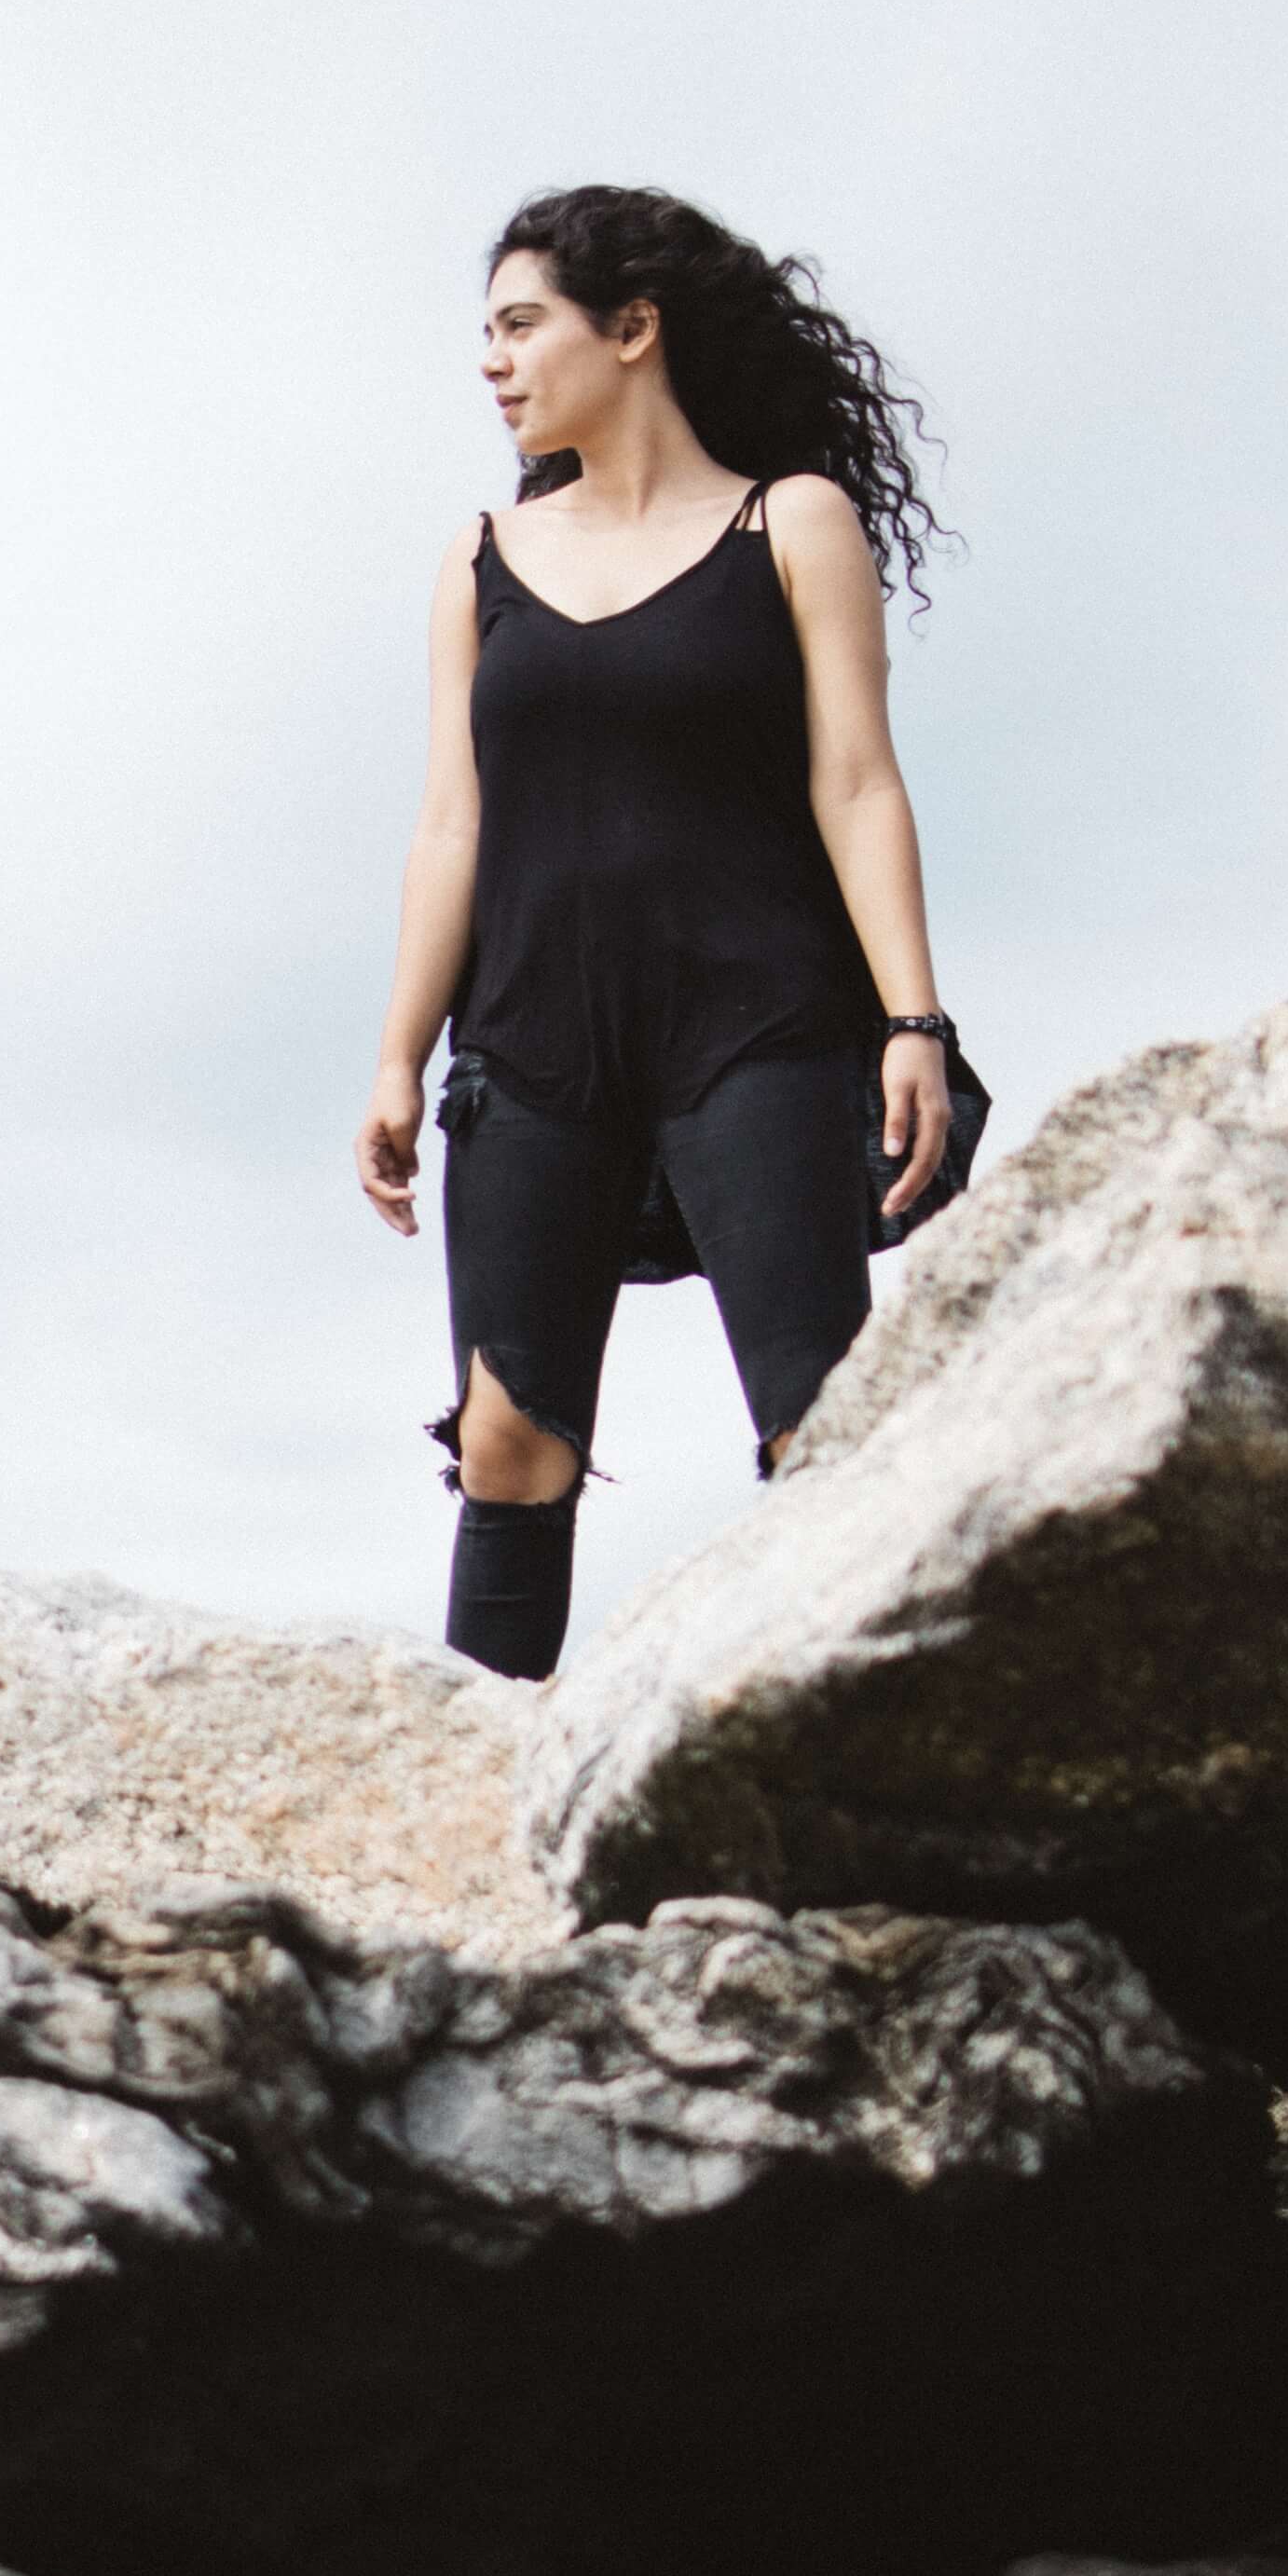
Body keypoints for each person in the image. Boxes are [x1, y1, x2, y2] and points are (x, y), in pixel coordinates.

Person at [355, 185, 958, 1679]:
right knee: (506, 1441)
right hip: (532, 1042)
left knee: (822, 1418)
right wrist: (394, 1058)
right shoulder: (482, 555)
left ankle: (853, 1795)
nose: (492, 362)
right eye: (483, 335)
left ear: (632, 329)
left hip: (757, 1024)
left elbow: (859, 779)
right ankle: (484, 1838)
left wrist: (914, 1021)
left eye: (520, 325)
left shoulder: (789, 523)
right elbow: (452, 823)